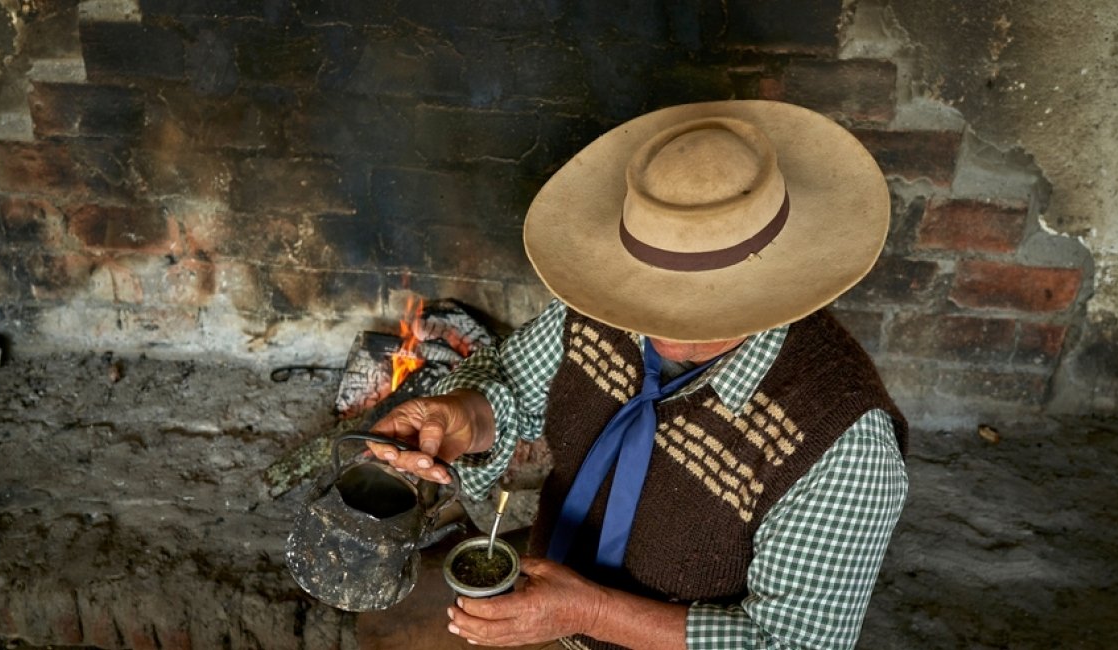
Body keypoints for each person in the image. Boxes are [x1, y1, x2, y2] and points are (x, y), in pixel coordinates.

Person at [367, 100, 909, 650]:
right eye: (648, 290)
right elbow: (513, 383)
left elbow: (790, 644)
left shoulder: (845, 441)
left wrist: (591, 612)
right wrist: (462, 415)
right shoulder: (607, 303)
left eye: (695, 301)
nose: (653, 321)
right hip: (550, 589)